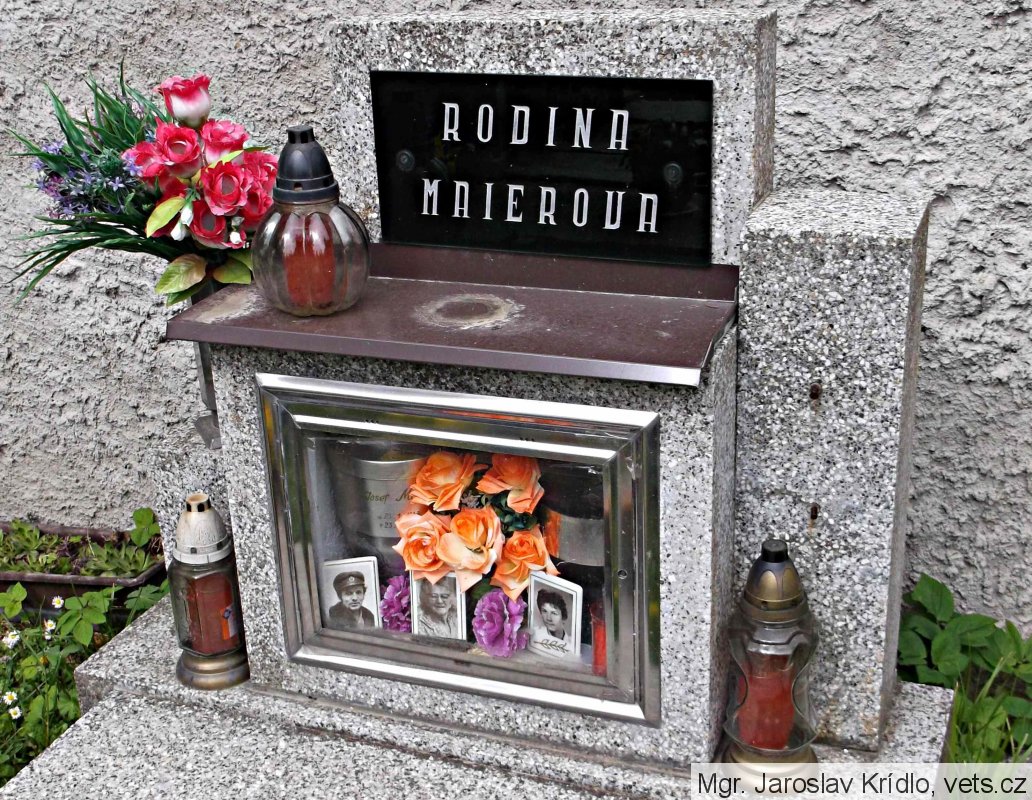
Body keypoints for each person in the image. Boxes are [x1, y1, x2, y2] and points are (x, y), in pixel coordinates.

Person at [532, 589, 570, 656]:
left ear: (563, 616)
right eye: (544, 611)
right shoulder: (535, 635)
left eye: (554, 613)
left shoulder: (572, 643)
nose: (548, 618)